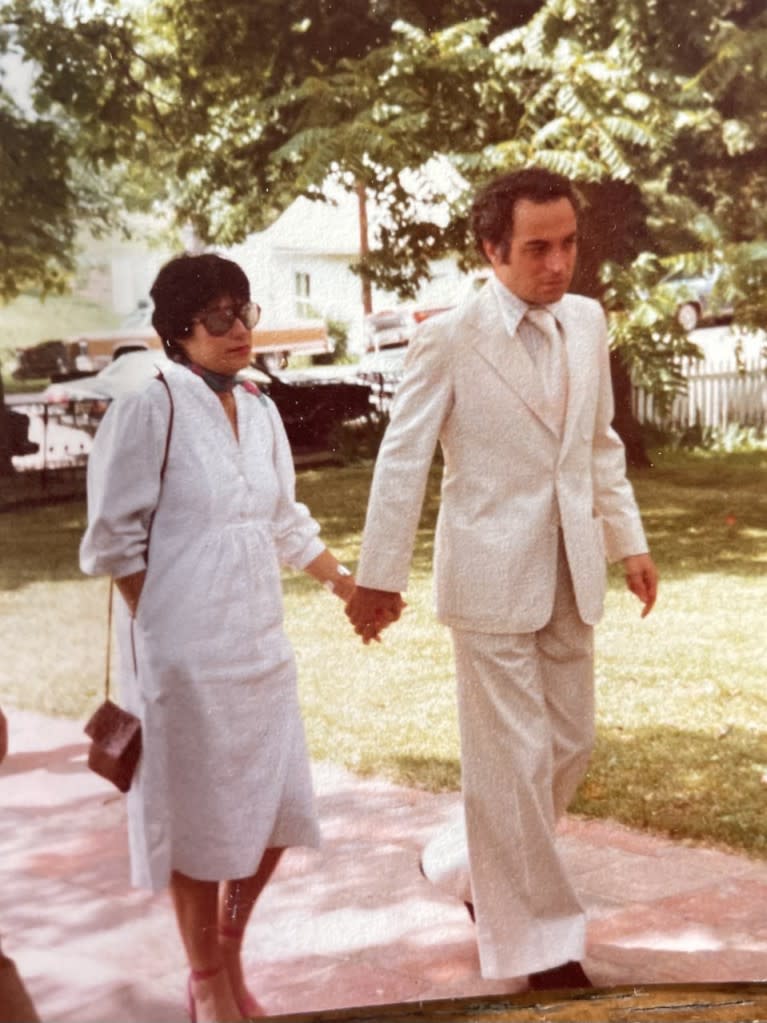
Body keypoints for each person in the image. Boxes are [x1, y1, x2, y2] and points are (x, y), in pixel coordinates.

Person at [346, 167, 658, 991]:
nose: (557, 264)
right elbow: (402, 458)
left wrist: (629, 542)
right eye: (535, 248)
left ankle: (460, 863)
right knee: (513, 760)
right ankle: (542, 946)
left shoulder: (586, 322)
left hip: (570, 567)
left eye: (567, 244)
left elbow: (597, 445)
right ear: (491, 250)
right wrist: (377, 577)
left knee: (568, 745)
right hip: (486, 575)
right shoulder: (448, 336)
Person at [80, 253, 356, 1023]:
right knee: (196, 818)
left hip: (259, 645)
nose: (239, 331)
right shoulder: (152, 406)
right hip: (182, 656)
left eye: (245, 312)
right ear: (177, 332)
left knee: (271, 809)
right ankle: (208, 980)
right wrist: (161, 625)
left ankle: (226, 947)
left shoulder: (260, 408)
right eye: (218, 318)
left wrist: (345, 584)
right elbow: (111, 539)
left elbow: (281, 521)